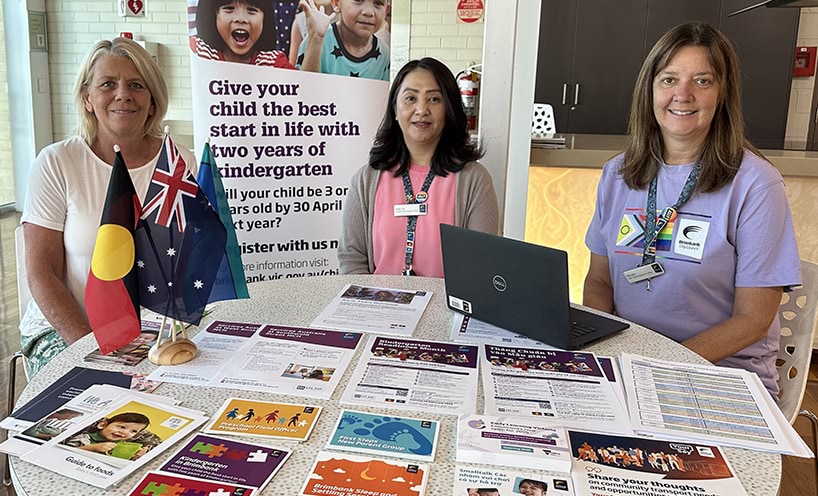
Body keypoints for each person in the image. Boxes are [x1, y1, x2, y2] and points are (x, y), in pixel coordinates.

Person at [582, 21, 800, 397]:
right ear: (649, 90)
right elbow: (599, 281)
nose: (682, 94)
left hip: (721, 375)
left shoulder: (756, 184)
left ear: (723, 94)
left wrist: (658, 366)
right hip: (629, 366)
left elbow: (752, 320)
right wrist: (610, 350)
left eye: (702, 81)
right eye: (668, 79)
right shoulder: (617, 174)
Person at [20, 38, 199, 376]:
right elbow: (41, 274)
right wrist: (91, 349)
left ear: (152, 100)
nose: (122, 94)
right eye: (107, 84)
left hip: (152, 329)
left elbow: (187, 255)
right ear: (87, 98)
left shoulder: (178, 160)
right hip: (67, 328)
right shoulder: (57, 162)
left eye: (136, 85)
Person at [338, 57, 499, 276]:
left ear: (449, 108)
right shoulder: (366, 180)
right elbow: (352, 258)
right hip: (379, 306)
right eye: (410, 98)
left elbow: (483, 264)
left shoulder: (474, 180)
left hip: (446, 309)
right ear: (395, 109)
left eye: (434, 99)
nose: (422, 109)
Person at [297, 0, 390, 81]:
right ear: (337, 3)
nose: (369, 12)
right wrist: (316, 39)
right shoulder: (317, 39)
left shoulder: (384, 55)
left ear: (386, 10)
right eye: (358, 0)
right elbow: (301, 90)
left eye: (378, 3)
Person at [192, 0, 294, 67]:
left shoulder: (273, 63)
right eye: (229, 8)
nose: (240, 19)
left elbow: (300, 91)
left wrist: (311, 37)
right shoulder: (199, 53)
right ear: (214, 15)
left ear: (265, 19)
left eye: (251, 10)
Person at [62, 412, 151, 460]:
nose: (125, 433)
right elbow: (64, 452)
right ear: (103, 425)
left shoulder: (121, 443)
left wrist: (135, 456)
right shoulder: (83, 438)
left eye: (134, 431)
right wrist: (93, 448)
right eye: (122, 427)